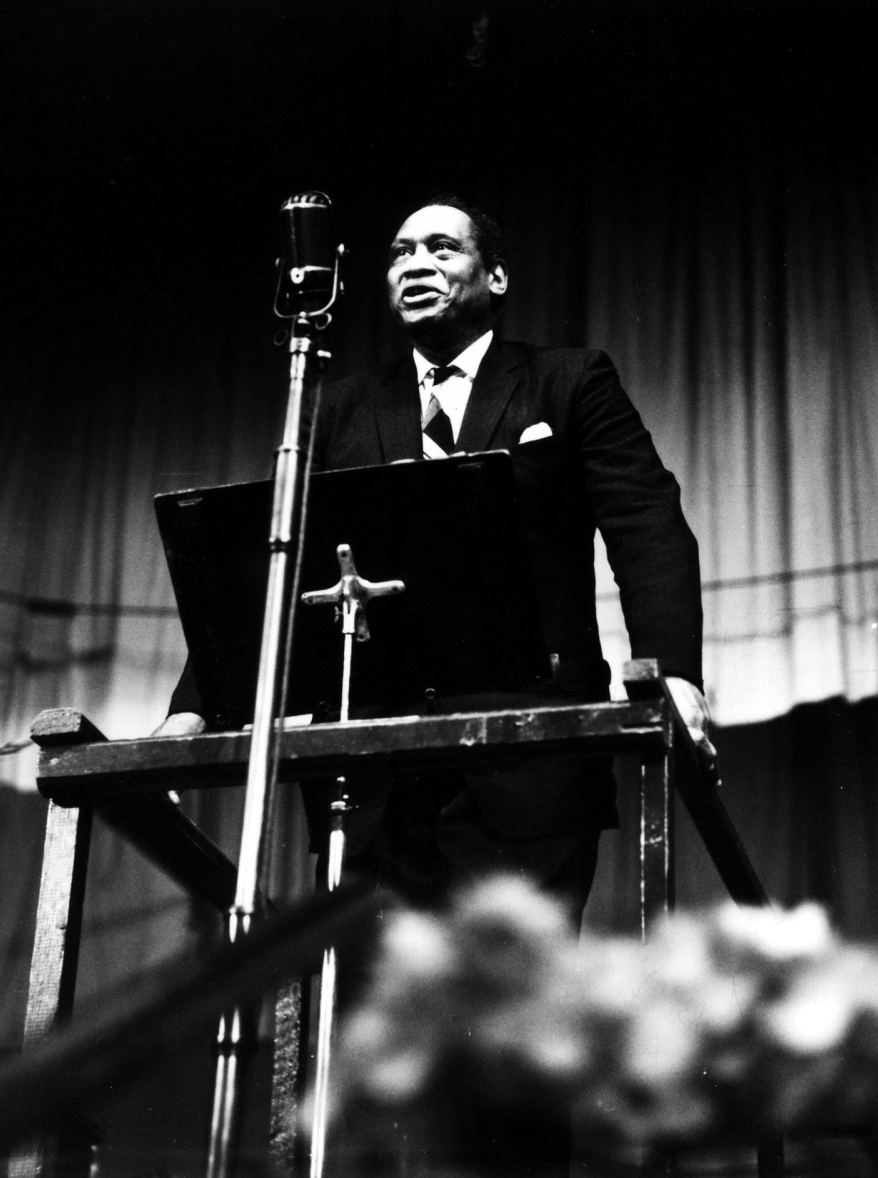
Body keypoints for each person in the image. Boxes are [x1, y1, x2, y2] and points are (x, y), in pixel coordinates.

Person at [160, 195, 713, 1175]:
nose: (415, 262)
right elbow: (271, 569)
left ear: (493, 276)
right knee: (381, 1049)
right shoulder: (337, 409)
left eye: (441, 245)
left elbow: (646, 522)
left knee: (515, 1045)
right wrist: (195, 704)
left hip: (530, 770)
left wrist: (676, 672)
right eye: (399, 250)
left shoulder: (566, 382)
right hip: (375, 782)